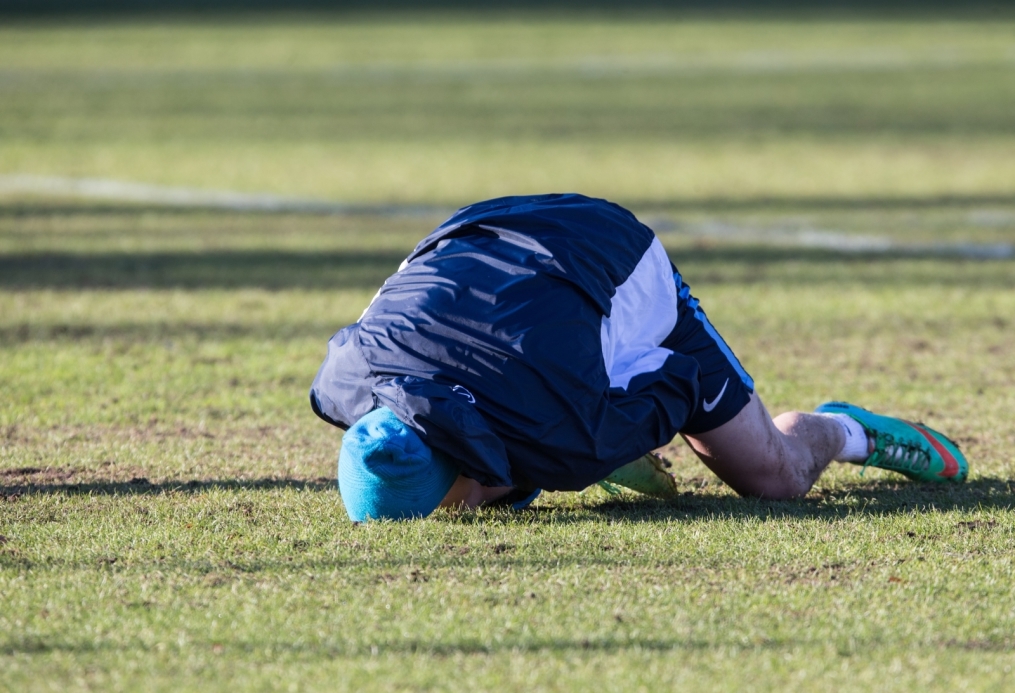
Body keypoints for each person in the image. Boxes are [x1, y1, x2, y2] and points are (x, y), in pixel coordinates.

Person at [309, 194, 967, 522]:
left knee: (772, 476)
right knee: (559, 415)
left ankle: (847, 430)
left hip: (609, 252)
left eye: (451, 506)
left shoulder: (567, 434)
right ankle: (580, 404)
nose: (462, 512)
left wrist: (589, 445)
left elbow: (675, 380)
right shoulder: (343, 381)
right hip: (477, 229)